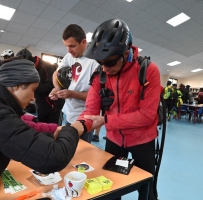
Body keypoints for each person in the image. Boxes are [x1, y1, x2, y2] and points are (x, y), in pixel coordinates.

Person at [0, 59, 85, 199]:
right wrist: (73, 129)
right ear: (17, 86)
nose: (32, 98)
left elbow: (20, 136)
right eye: (33, 90)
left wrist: (50, 136)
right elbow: (53, 159)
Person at [77, 19, 160, 200]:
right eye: (101, 63)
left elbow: (147, 115)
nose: (106, 69)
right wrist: (73, 129)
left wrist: (106, 121)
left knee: (148, 190)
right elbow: (90, 111)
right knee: (110, 186)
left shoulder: (148, 70)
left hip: (143, 140)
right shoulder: (100, 75)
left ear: (126, 52)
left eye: (111, 62)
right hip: (114, 139)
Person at [49, 24, 99, 143]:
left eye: (72, 46)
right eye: (66, 46)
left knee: (80, 152)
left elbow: (97, 96)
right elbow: (56, 74)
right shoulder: (69, 56)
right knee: (65, 146)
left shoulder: (96, 61)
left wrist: (72, 94)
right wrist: (57, 88)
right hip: (68, 112)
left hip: (85, 118)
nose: (68, 50)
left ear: (83, 42)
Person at [16, 48, 64, 124]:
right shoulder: (28, 70)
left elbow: (51, 85)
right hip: (41, 103)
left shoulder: (46, 66)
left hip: (54, 103)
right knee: (41, 124)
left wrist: (32, 88)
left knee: (53, 128)